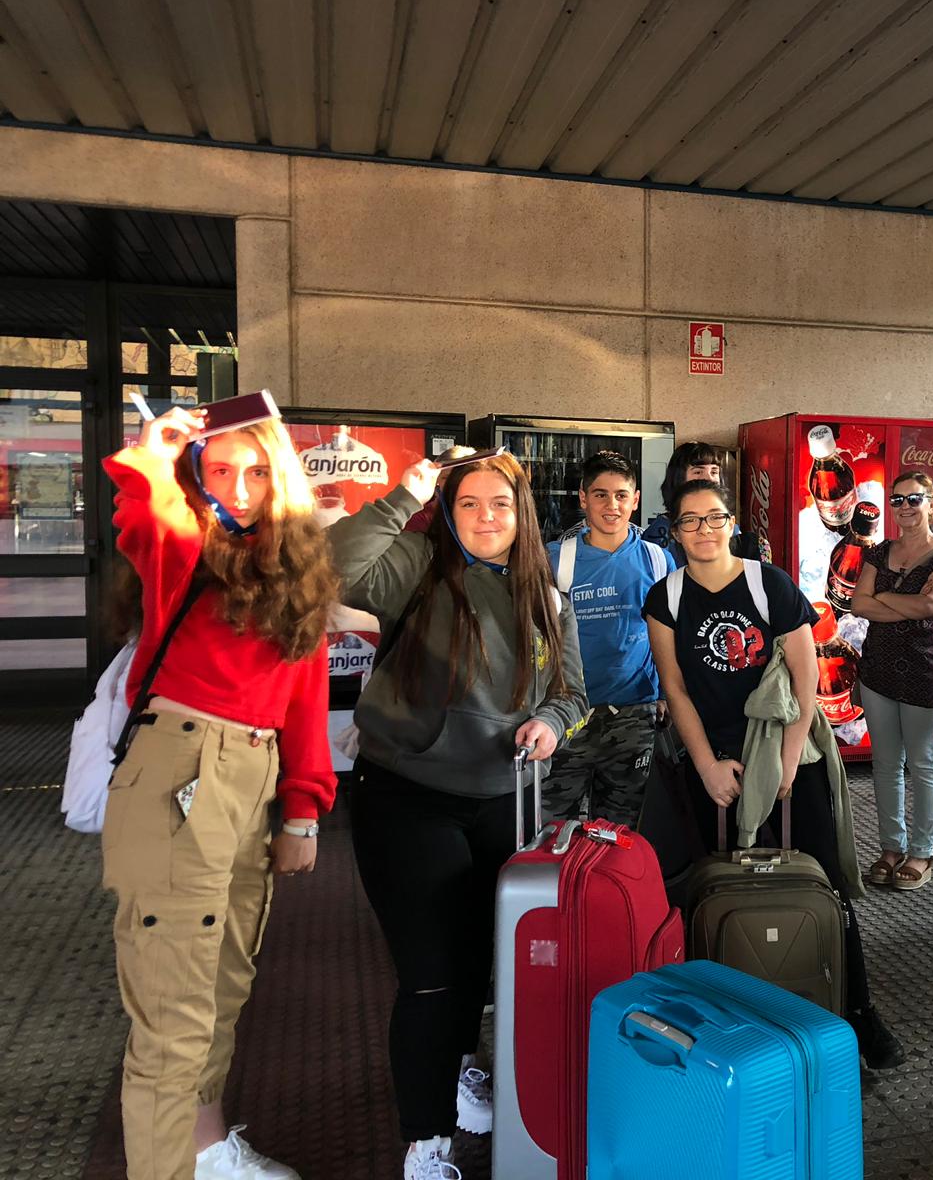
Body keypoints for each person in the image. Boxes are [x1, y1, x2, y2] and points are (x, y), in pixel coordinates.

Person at [327, 453, 587, 1180]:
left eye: (499, 504)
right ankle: (426, 1139)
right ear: (447, 512)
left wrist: (552, 724)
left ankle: (463, 1067)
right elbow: (339, 565)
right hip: (406, 796)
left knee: (481, 964)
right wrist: (405, 492)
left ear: (520, 512)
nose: (484, 518)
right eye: (467, 504)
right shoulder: (418, 564)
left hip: (503, 799)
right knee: (433, 976)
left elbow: (574, 693)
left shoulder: (547, 594)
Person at [102, 404, 341, 1180]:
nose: (240, 487)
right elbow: (145, 519)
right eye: (221, 470)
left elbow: (304, 695)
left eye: (259, 470)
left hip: (252, 777)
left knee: (225, 985)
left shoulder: (298, 568)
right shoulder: (185, 547)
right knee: (173, 1019)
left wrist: (302, 806)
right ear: (196, 478)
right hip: (179, 768)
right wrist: (154, 452)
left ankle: (203, 1151)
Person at [643, 479, 903, 1068]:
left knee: (824, 884)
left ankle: (857, 1012)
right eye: (690, 521)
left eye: (714, 518)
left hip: (792, 757)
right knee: (708, 885)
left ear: (731, 520)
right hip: (711, 763)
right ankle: (724, 1014)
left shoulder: (770, 584)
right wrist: (707, 764)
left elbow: (805, 675)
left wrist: (785, 763)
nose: (704, 531)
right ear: (674, 529)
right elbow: (676, 690)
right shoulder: (667, 597)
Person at [544, 451, 673, 828]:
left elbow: (670, 636)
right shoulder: (554, 560)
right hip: (567, 717)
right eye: (600, 494)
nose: (611, 505)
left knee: (620, 834)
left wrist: (665, 692)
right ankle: (561, 890)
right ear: (583, 498)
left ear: (635, 500)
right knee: (552, 832)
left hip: (634, 717)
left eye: (621, 495)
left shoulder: (659, 561)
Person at [849, 470, 933, 891]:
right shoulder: (878, 552)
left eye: (914, 499)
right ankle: (891, 849)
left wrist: (883, 599)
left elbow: (932, 604)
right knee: (885, 766)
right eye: (897, 501)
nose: (905, 508)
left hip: (925, 672)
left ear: (931, 502)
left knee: (924, 765)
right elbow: (858, 605)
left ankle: (922, 851)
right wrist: (905, 605)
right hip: (878, 670)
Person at [641, 441, 768, 563]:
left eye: (714, 472)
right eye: (698, 472)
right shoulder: (658, 534)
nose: (709, 478)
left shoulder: (741, 537)